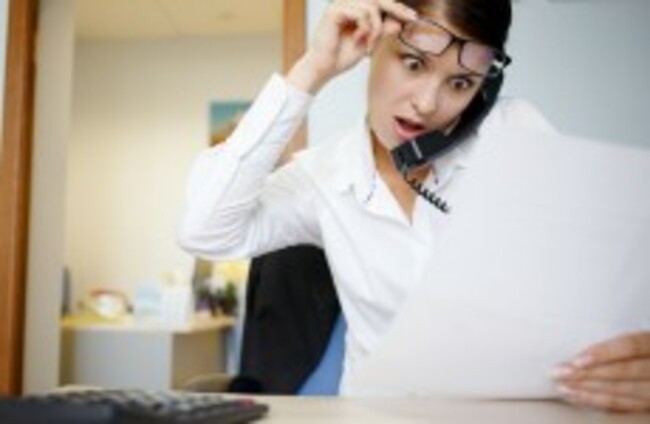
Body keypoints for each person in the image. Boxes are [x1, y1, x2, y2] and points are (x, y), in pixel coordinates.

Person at [179, 0, 650, 412]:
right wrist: (313, 68)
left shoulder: (514, 133)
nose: (427, 103)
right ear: (372, 39)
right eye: (413, 63)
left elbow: (603, 285)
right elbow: (204, 229)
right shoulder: (322, 176)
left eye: (461, 83)